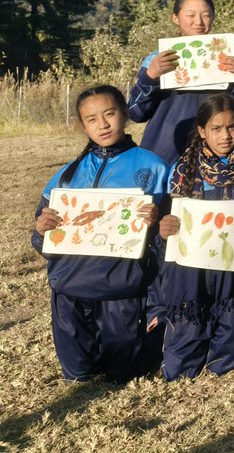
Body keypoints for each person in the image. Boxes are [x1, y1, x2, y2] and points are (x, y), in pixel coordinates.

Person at [32, 85, 168, 381]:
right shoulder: (67, 174)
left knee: (121, 374)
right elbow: (41, 236)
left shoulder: (154, 167)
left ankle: (152, 332)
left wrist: (157, 222)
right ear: (83, 126)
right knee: (77, 373)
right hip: (71, 284)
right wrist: (42, 229)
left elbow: (168, 236)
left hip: (122, 284)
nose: (103, 124)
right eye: (92, 119)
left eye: (110, 114)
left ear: (125, 114)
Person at [155, 94, 234, 379]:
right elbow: (172, 219)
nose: (225, 136)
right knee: (180, 360)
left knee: (229, 338)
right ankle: (185, 353)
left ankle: (222, 356)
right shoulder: (184, 170)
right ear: (202, 131)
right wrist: (165, 227)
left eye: (231, 127)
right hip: (190, 270)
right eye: (216, 129)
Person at [128, 0, 234, 165]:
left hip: (214, 161)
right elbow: (135, 112)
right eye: (190, 15)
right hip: (163, 160)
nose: (199, 22)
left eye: (206, 15)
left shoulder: (226, 60)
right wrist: (150, 77)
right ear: (176, 18)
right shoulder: (157, 61)